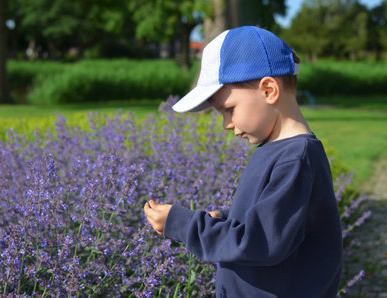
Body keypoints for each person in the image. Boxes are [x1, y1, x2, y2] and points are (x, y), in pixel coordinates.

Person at [144, 26, 342, 297]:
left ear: (269, 89)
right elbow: (274, 217)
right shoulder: (277, 149)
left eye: (229, 110)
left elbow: (262, 241)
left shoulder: (294, 159)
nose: (226, 124)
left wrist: (184, 224)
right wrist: (226, 218)